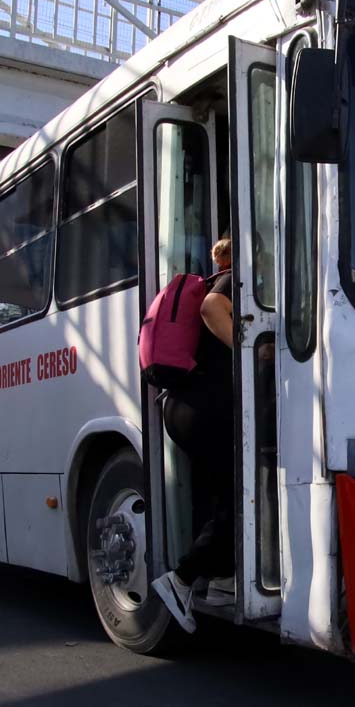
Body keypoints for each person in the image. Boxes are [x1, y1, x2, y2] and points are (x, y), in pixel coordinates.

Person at [151, 238, 235, 634]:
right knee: (237, 499)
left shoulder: (214, 278)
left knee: (221, 495)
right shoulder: (233, 280)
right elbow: (211, 308)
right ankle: (181, 579)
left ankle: (222, 581)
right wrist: (248, 348)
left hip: (186, 407)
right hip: (204, 409)